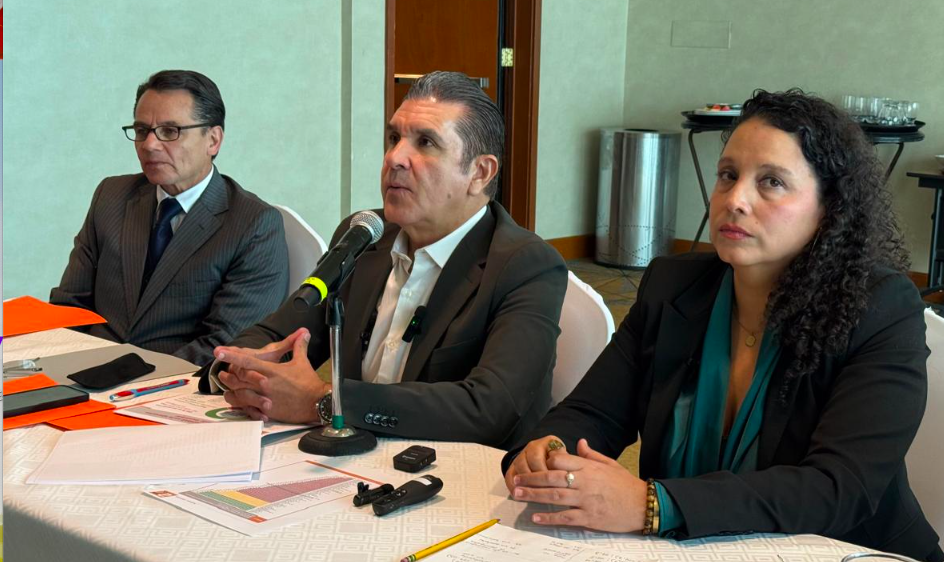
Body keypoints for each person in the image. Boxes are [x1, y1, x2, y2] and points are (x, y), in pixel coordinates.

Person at [502, 89, 942, 561]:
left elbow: (839, 487)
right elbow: (595, 412)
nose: (735, 200)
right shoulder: (674, 287)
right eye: (728, 175)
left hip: (844, 552)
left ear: (830, 209)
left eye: (771, 182)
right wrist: (549, 448)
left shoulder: (880, 306)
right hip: (692, 550)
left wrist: (654, 504)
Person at [202, 71, 568, 450]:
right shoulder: (365, 235)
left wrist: (325, 402)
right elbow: (277, 335)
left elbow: (488, 409)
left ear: (480, 172)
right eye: (394, 138)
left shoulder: (527, 265)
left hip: (459, 473)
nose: (395, 158)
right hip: (354, 460)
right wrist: (241, 367)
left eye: (425, 143)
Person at [50, 70, 290, 367]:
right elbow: (68, 308)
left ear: (213, 140)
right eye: (142, 130)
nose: (149, 145)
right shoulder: (111, 196)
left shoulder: (254, 225)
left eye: (169, 131)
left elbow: (227, 345)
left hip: (174, 383)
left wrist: (126, 377)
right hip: (85, 373)